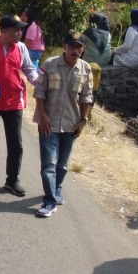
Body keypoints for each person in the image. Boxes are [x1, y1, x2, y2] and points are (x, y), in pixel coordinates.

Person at [33, 33, 94, 218]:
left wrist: (83, 120)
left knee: (62, 165)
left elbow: (86, 97)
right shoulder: (49, 64)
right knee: (48, 164)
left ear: (83, 49)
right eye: (71, 46)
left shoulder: (86, 69)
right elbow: (39, 92)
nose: (75, 50)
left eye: (79, 47)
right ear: (64, 46)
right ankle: (50, 202)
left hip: (71, 123)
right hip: (48, 123)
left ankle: (57, 189)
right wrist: (42, 116)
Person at [0, 16, 38, 198]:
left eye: (20, 30)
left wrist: (41, 83)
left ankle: (12, 180)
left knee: (15, 143)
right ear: (3, 32)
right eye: (15, 30)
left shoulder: (21, 48)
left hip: (14, 103)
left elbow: (29, 69)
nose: (20, 33)